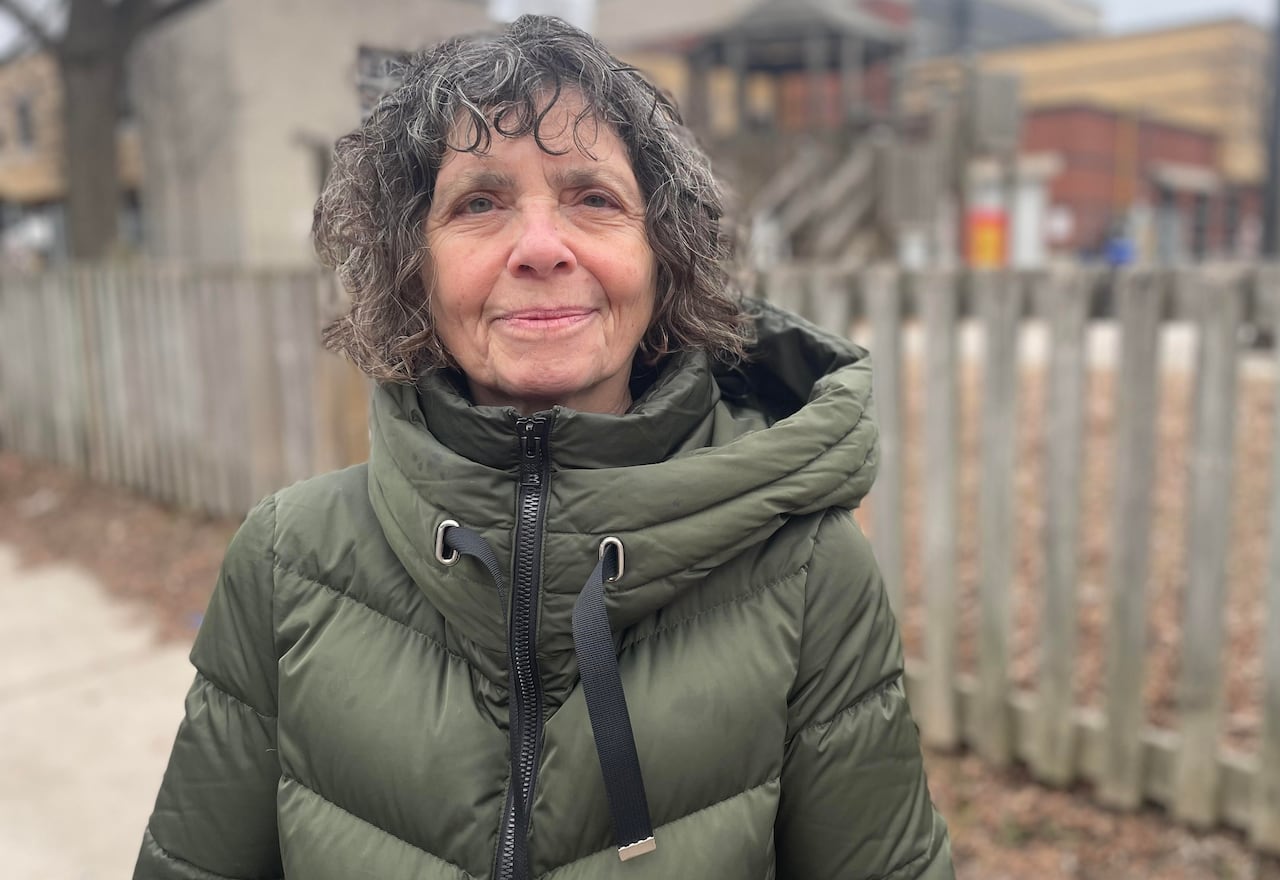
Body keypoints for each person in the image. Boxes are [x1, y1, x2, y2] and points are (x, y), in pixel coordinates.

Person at [134, 15, 952, 880]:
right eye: (478, 203)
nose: (539, 249)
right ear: (412, 266)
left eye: (593, 198)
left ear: (662, 252)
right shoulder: (283, 564)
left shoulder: (810, 574)